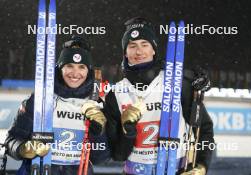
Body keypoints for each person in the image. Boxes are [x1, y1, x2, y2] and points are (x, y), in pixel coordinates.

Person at [101, 17, 214, 175]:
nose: (139, 51)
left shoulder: (177, 84)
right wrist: (128, 131)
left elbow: (204, 129)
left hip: (176, 169)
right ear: (125, 53)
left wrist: (202, 165)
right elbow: (118, 155)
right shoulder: (116, 94)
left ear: (154, 49)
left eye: (144, 45)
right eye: (132, 46)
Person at [5, 36, 109, 175]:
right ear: (60, 68)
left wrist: (98, 133)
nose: (75, 73)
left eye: (81, 67)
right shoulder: (40, 99)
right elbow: (11, 140)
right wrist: (23, 148)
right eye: (69, 66)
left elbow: (100, 158)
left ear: (88, 70)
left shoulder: (96, 103)